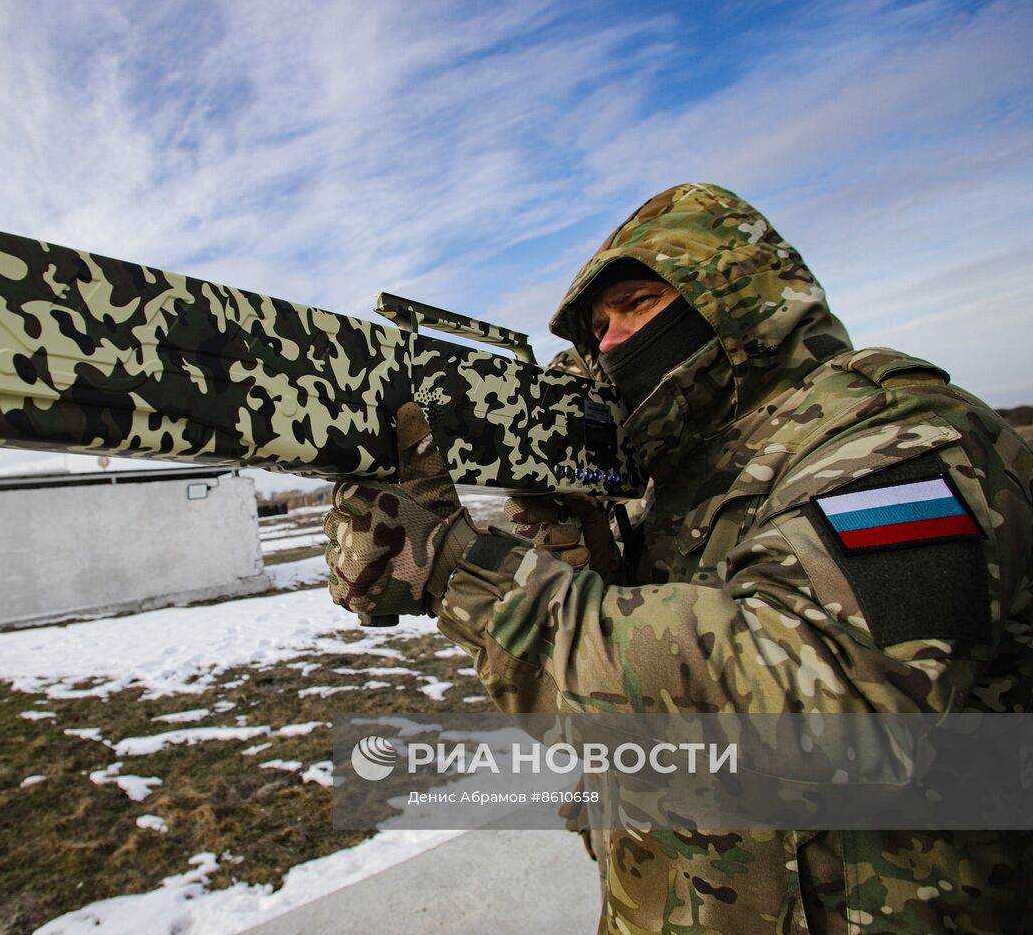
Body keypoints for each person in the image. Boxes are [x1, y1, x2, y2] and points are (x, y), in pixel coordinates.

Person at [323, 183, 1032, 933]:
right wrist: (574, 550)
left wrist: (465, 574)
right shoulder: (679, 479)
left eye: (638, 304)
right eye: (599, 327)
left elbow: (834, 709)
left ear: (738, 291)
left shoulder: (895, 436)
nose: (612, 342)